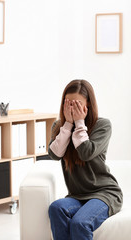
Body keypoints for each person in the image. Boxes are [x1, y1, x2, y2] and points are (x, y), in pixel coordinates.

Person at [48, 79, 123, 240]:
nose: (72, 108)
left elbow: (86, 153)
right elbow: (54, 154)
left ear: (88, 104)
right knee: (56, 208)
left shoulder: (102, 125)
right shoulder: (59, 127)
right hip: (77, 196)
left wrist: (79, 122)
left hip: (104, 194)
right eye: (68, 103)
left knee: (80, 223)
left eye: (77, 104)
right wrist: (68, 125)